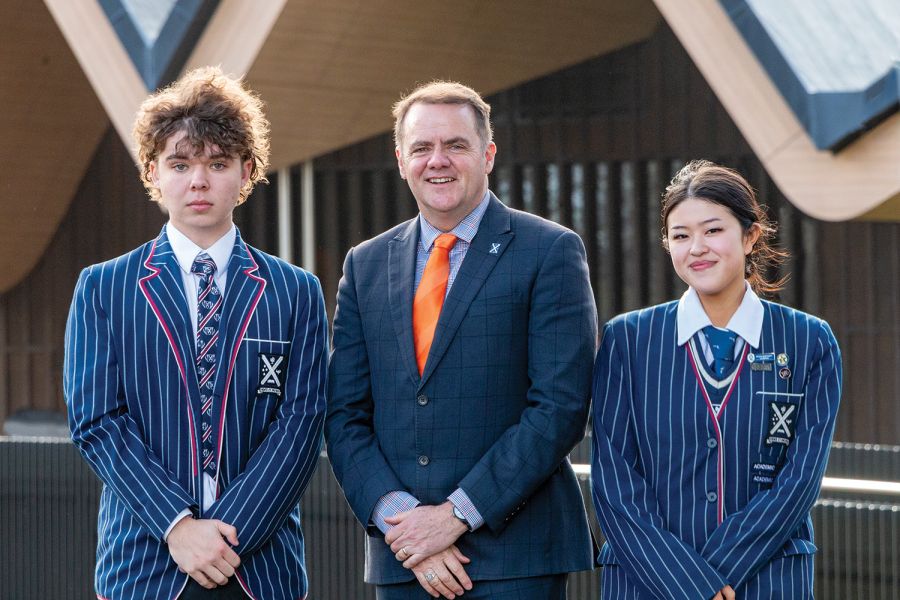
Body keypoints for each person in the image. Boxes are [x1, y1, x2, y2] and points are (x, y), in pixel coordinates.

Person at [325, 80, 597, 599]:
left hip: (515, 562)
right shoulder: (366, 264)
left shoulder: (550, 251)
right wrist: (404, 522)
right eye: (422, 148)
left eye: (456, 145)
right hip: (403, 557)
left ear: (488, 154)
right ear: (401, 158)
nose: (438, 161)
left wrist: (454, 517)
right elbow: (344, 415)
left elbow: (560, 406)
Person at [63, 66, 328, 599]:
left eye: (218, 163)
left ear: (246, 171)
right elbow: (96, 421)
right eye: (179, 164)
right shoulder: (104, 288)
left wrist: (228, 536)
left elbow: (302, 421)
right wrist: (178, 527)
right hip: (144, 565)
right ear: (153, 172)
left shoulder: (295, 291)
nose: (198, 181)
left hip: (260, 567)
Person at [590, 160, 842, 599]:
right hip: (647, 581)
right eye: (681, 236)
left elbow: (800, 480)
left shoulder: (808, 341)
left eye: (713, 230)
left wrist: (716, 575)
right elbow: (614, 481)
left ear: (750, 236)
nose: (697, 248)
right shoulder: (627, 340)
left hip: (767, 580)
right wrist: (687, 582)